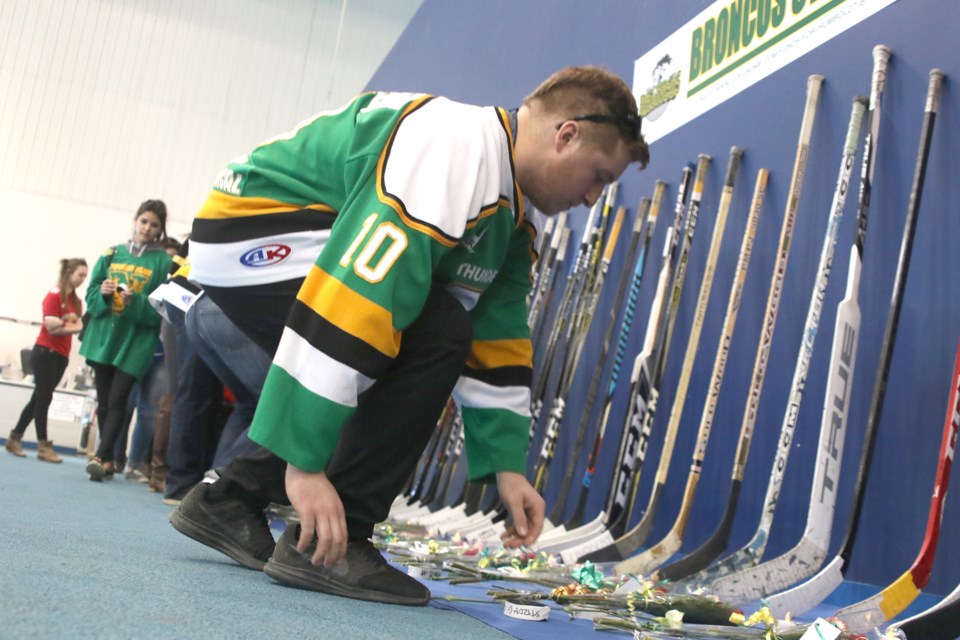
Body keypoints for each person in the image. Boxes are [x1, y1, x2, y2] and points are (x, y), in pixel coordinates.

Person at [170, 65, 649, 605]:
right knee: (424, 328)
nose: (593, 199)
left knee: (434, 329)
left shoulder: (515, 211)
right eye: (599, 177)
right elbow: (354, 298)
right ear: (567, 136)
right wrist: (304, 467)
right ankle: (334, 541)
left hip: (295, 233)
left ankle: (228, 498)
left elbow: (497, 337)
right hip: (254, 225)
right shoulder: (455, 150)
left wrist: (507, 469)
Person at [80, 200, 173, 481]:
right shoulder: (111, 254)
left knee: (120, 398)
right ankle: (109, 459)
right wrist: (105, 292)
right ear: (135, 220)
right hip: (105, 337)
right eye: (144, 221)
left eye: (154, 224)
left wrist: (136, 301)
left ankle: (99, 456)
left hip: (136, 342)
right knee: (106, 401)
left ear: (160, 229)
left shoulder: (163, 262)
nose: (147, 228)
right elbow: (91, 294)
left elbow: (161, 307)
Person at [5, 258, 88, 462]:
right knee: (44, 398)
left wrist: (66, 325)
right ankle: (43, 445)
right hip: (45, 352)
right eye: (80, 275)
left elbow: (73, 325)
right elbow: (51, 326)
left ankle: (14, 437)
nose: (82, 279)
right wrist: (75, 326)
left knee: (38, 398)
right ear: (69, 273)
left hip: (61, 355)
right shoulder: (53, 295)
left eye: (85, 276)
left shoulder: (76, 301)